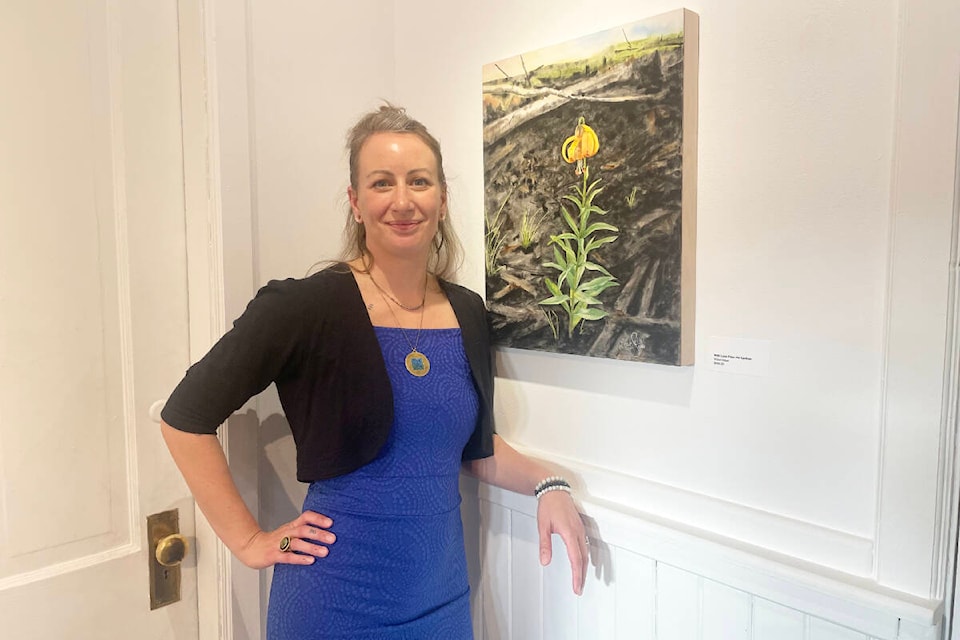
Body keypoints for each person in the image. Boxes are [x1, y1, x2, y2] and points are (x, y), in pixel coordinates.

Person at [160, 104, 587, 639]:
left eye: (419, 181)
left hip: (442, 603)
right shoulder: (304, 307)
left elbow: (475, 449)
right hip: (333, 603)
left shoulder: (468, 312)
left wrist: (551, 485)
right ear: (356, 202)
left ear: (442, 199)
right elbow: (184, 418)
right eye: (382, 183)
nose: (403, 201)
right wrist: (249, 542)